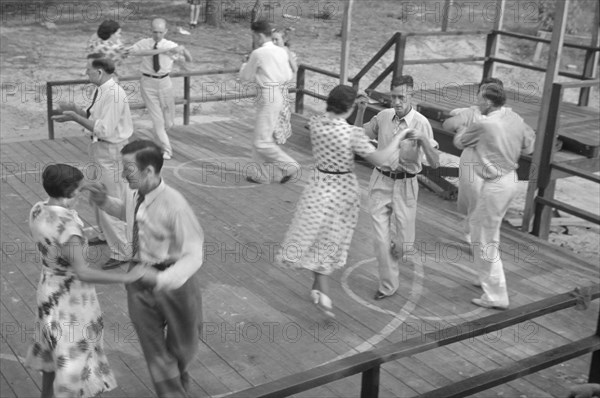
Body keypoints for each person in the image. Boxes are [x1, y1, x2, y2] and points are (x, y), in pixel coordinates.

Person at [276, 85, 416, 317]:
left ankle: (317, 287)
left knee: (317, 235)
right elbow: (381, 158)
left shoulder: (317, 122)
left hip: (318, 185)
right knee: (330, 241)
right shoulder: (351, 135)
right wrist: (400, 136)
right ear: (349, 107)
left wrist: (358, 110)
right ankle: (323, 292)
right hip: (340, 191)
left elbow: (349, 130)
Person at [87, 140, 204, 397]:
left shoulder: (176, 205)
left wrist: (161, 279)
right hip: (138, 277)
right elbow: (127, 213)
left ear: (149, 171)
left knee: (184, 348)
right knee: (154, 350)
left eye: (128, 169)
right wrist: (105, 201)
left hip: (175, 282)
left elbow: (194, 256)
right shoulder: (133, 191)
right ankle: (173, 393)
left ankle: (178, 379)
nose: (122, 174)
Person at [25, 164, 143, 398]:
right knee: (75, 365)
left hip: (48, 289)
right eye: (79, 189)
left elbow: (62, 196)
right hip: (71, 301)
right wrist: (126, 276)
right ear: (70, 192)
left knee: (53, 354)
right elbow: (83, 271)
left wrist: (81, 185)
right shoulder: (69, 229)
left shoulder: (38, 209)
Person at [455, 82, 535, 310]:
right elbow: (528, 148)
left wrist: (462, 127)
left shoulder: (485, 123)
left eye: (480, 98)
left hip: (495, 184)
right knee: (487, 234)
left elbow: (459, 142)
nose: (477, 101)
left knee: (485, 239)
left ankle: (496, 294)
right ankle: (485, 279)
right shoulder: (516, 119)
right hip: (510, 179)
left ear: (488, 102)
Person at [52, 54, 132, 269]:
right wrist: (75, 113)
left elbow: (104, 128)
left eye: (88, 70)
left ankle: (122, 250)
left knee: (109, 196)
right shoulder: (102, 90)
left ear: (99, 71)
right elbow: (96, 118)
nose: (85, 73)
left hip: (111, 149)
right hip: (100, 148)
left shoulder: (114, 94)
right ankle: (106, 235)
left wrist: (75, 117)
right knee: (98, 191)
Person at [363, 75, 440, 301]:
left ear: (412, 96)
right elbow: (361, 134)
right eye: (393, 97)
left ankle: (399, 252)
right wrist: (358, 110)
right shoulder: (383, 117)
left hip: (407, 184)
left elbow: (435, 163)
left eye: (401, 97)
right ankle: (388, 285)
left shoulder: (422, 123)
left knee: (404, 245)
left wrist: (424, 141)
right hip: (380, 181)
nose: (396, 102)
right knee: (380, 240)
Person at [443, 77, 504, 244]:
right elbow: (451, 121)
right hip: (471, 161)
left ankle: (480, 234)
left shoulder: (504, 116)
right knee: (474, 196)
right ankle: (473, 233)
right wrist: (461, 126)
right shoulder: (471, 113)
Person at [239, 20, 300, 184]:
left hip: (267, 95)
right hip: (278, 92)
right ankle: (261, 175)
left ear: (259, 35)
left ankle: (290, 165)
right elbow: (289, 75)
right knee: (261, 136)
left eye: (253, 35)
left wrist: (244, 64)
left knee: (261, 141)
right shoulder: (281, 51)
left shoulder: (258, 53)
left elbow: (245, 77)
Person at [128, 18, 192, 160]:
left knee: (168, 122)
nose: (157, 35)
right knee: (158, 121)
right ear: (151, 30)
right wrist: (165, 50)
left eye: (160, 32)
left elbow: (189, 60)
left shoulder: (171, 44)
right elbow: (132, 52)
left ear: (166, 31)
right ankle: (167, 150)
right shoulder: (145, 43)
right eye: (155, 32)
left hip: (165, 83)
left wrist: (183, 50)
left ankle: (158, 144)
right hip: (148, 82)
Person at [271, 28, 296, 146]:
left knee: (282, 113)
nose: (274, 42)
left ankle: (280, 138)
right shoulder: (269, 51)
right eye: (272, 39)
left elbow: (294, 68)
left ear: (284, 40)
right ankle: (277, 139)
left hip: (281, 87)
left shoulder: (285, 51)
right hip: (270, 87)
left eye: (277, 39)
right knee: (274, 114)